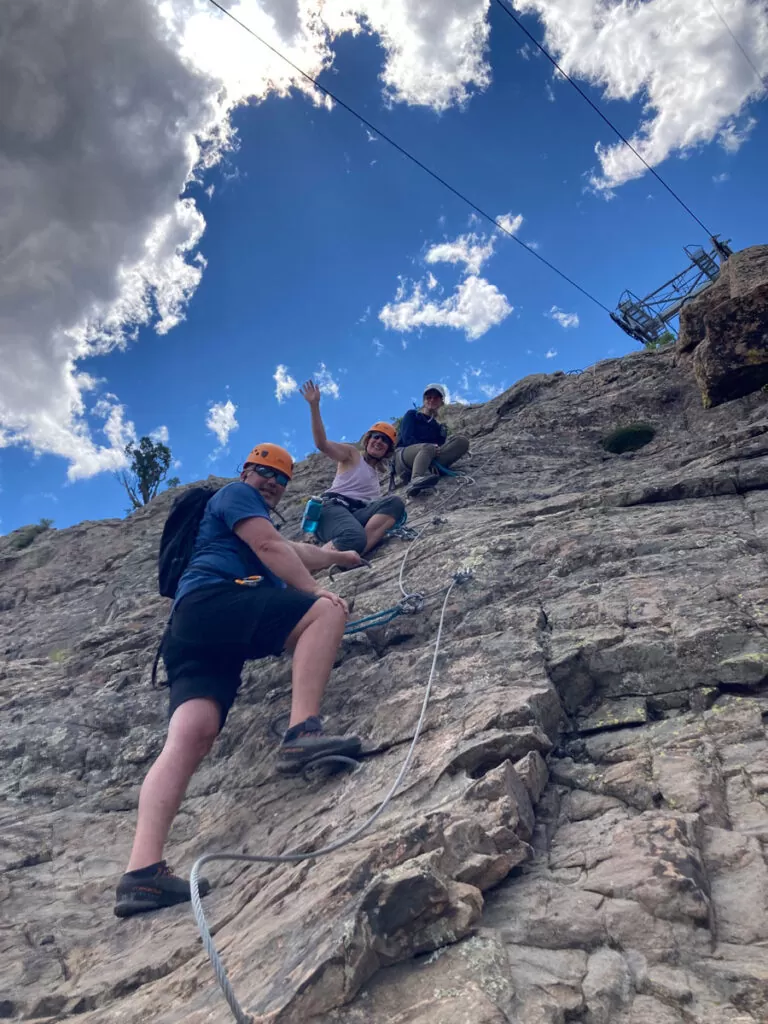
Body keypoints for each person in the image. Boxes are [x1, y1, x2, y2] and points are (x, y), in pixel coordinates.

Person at [114, 443, 364, 918]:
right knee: (324, 614)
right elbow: (271, 548)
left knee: (191, 734)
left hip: (192, 632)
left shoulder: (241, 521)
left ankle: (140, 874)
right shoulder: (234, 497)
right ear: (245, 473)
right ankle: (302, 732)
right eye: (262, 472)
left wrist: (338, 558)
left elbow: (294, 550)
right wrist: (318, 592)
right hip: (216, 603)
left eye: (280, 478)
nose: (270, 481)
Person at [301, 380, 405, 555]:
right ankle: (317, 562)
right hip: (332, 509)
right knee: (353, 535)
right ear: (368, 439)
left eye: (385, 441)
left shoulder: (375, 479)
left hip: (353, 515)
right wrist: (314, 405)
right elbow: (322, 443)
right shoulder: (351, 455)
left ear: (388, 449)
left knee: (395, 503)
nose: (379, 442)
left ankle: (354, 555)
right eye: (376, 437)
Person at [395, 383, 469, 495]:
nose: (432, 400)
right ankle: (416, 479)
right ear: (424, 400)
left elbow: (439, 447)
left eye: (436, 398)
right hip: (404, 458)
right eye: (429, 397)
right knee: (429, 447)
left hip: (428, 457)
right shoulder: (412, 415)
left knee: (461, 441)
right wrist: (429, 448)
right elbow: (406, 439)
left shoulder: (438, 427)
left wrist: (442, 439)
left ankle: (433, 470)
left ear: (441, 402)